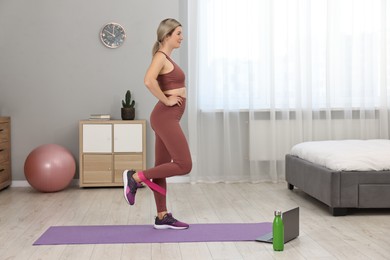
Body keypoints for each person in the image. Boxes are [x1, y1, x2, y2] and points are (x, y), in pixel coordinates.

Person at [122, 18, 192, 230]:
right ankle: (135, 177)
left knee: (161, 168)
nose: (181, 37)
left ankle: (162, 216)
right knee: (184, 164)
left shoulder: (166, 57)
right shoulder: (161, 56)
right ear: (167, 35)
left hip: (166, 117)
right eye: (178, 33)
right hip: (165, 117)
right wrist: (167, 100)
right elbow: (148, 80)